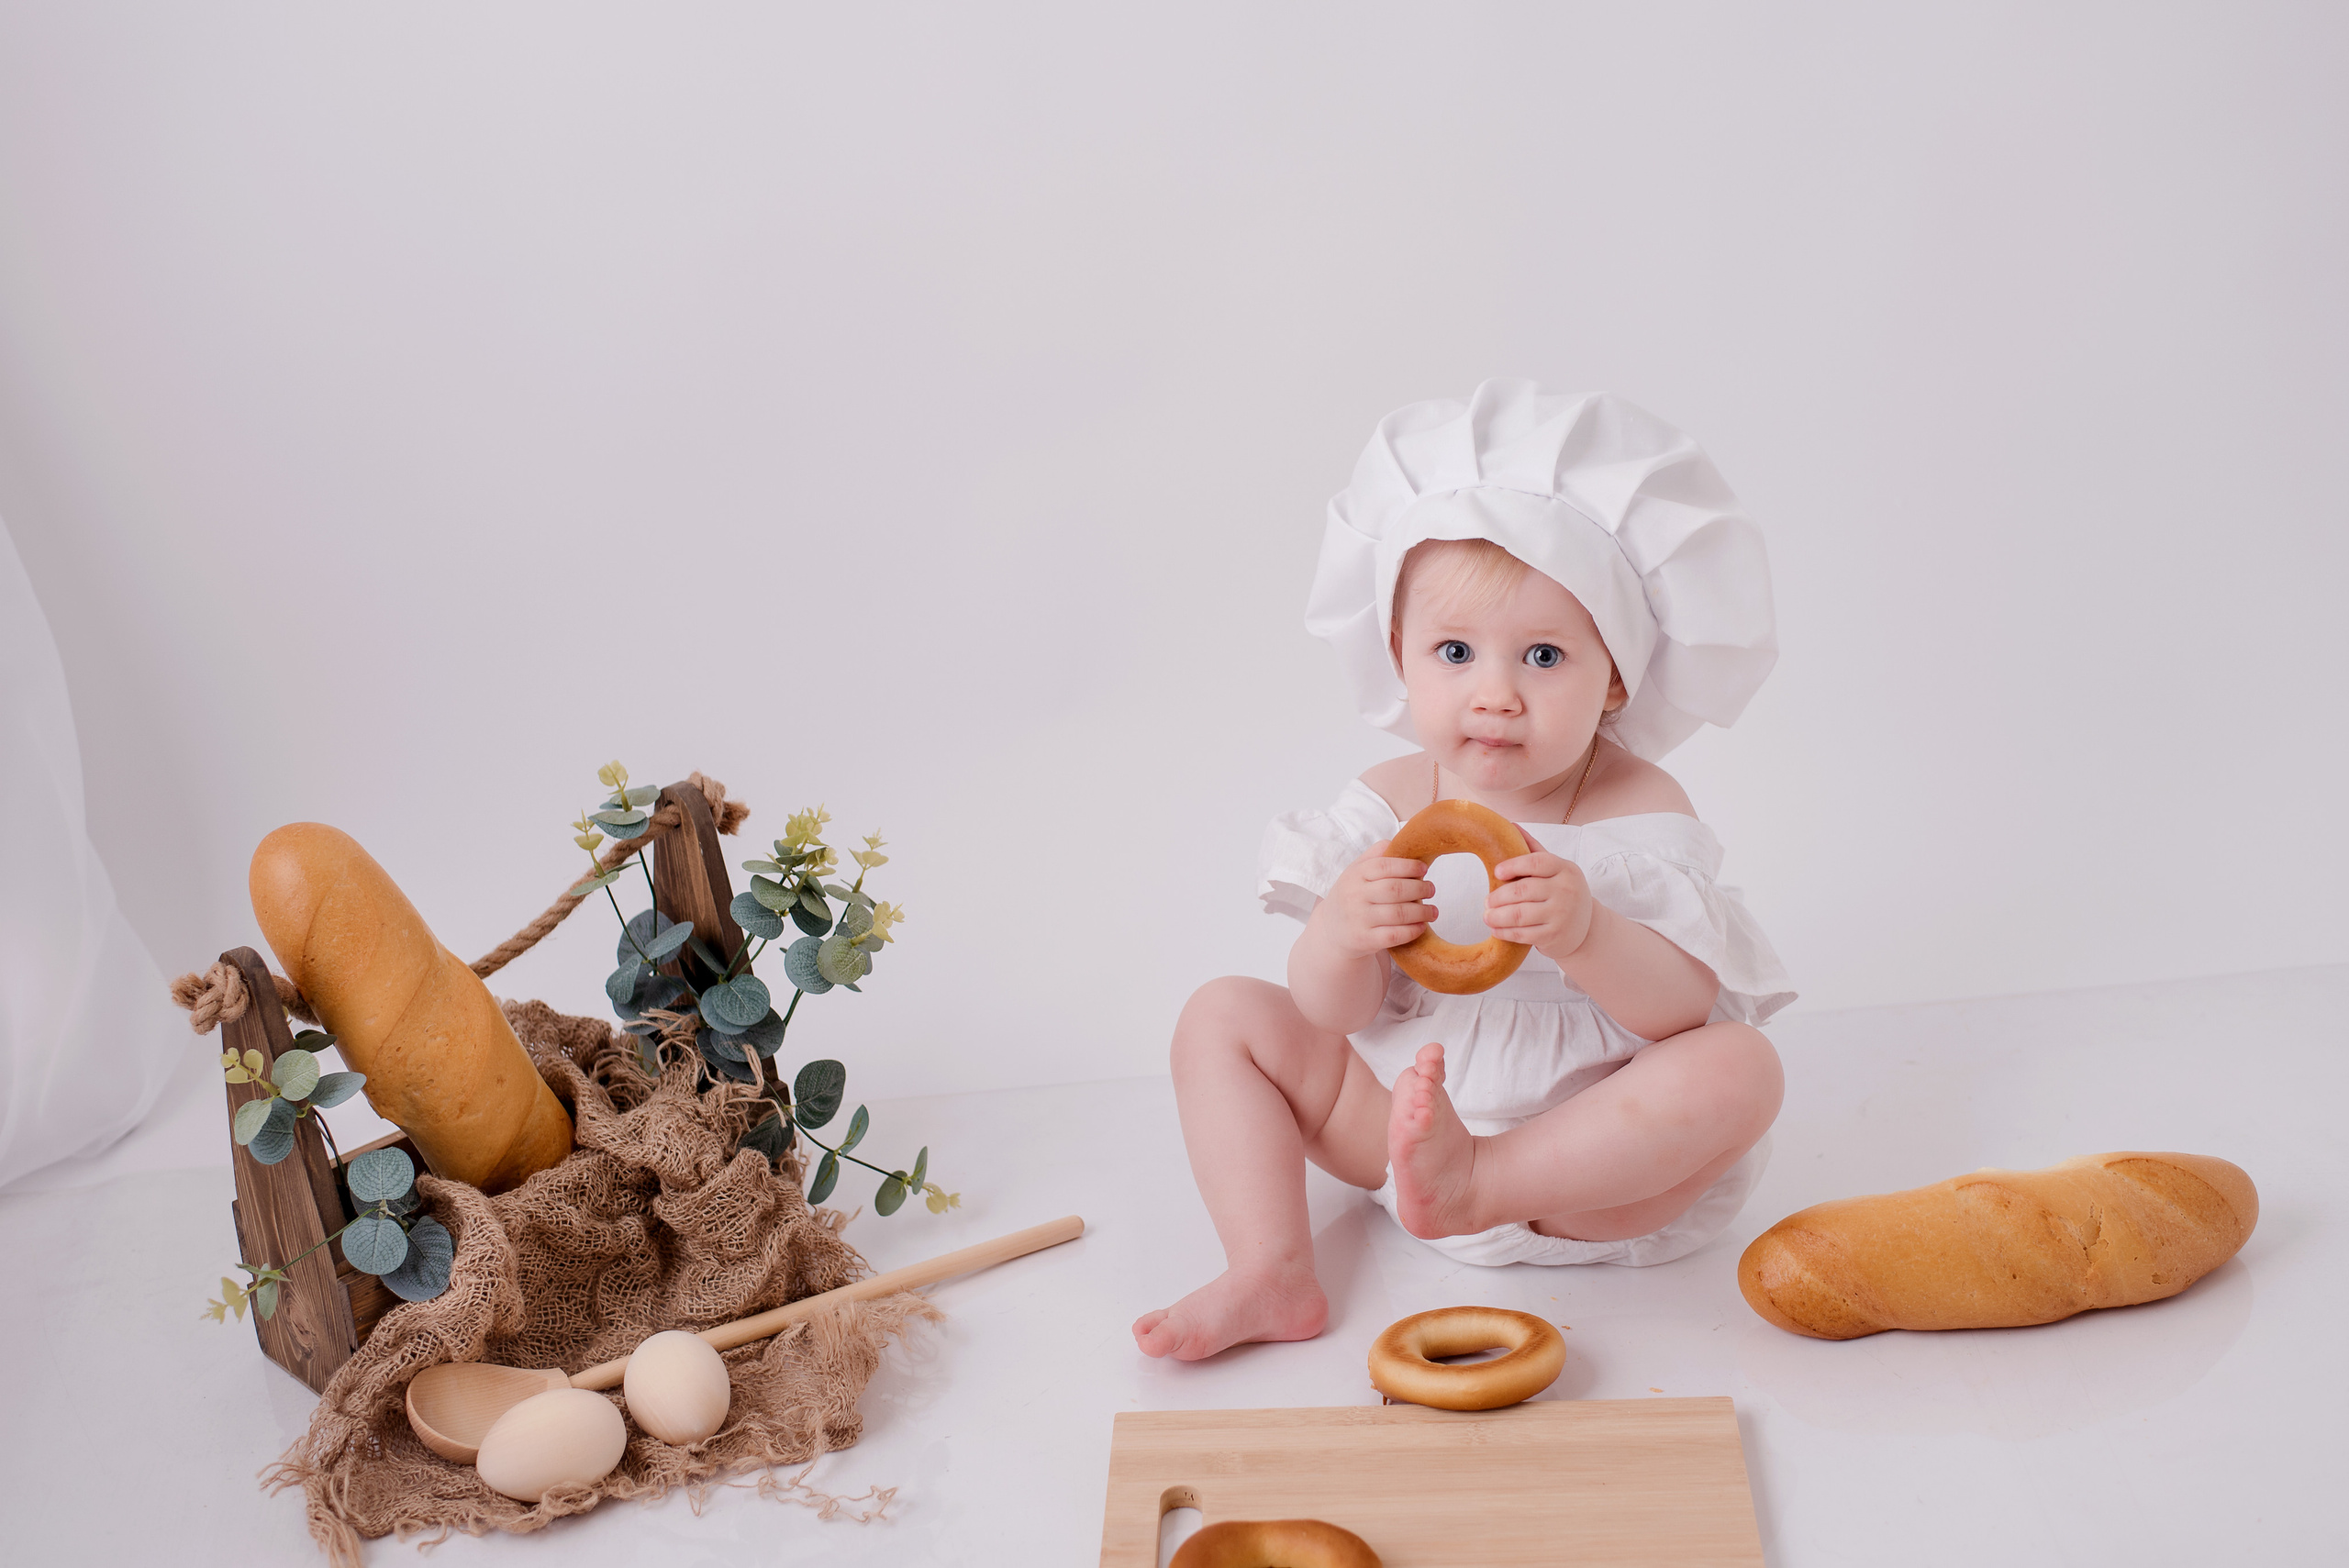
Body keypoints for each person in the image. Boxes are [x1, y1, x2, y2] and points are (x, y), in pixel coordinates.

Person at [1134, 380, 1797, 1362]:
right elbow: (1334, 1014)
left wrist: (1588, 933)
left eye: (1541, 654)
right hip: (1391, 1141)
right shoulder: (1388, 802)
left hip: (1591, 1180)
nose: (1495, 694)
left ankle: (1483, 1178)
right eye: (1455, 650)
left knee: (1741, 1067)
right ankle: (1269, 1266)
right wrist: (1340, 932)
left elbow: (1679, 1006)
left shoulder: (1640, 808)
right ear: (1399, 655)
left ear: (1614, 673)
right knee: (1221, 1014)